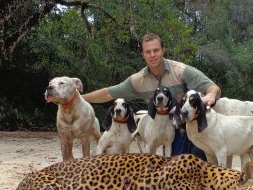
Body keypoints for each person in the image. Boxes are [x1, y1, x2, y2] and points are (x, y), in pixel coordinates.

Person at [83, 33, 221, 159]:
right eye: (148, 52)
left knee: (191, 163)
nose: (152, 55)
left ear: (163, 50)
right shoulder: (137, 81)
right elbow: (108, 93)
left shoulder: (181, 71)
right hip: (164, 124)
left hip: (190, 124)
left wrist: (211, 95)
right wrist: (79, 98)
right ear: (143, 54)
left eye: (156, 50)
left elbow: (213, 88)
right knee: (174, 166)